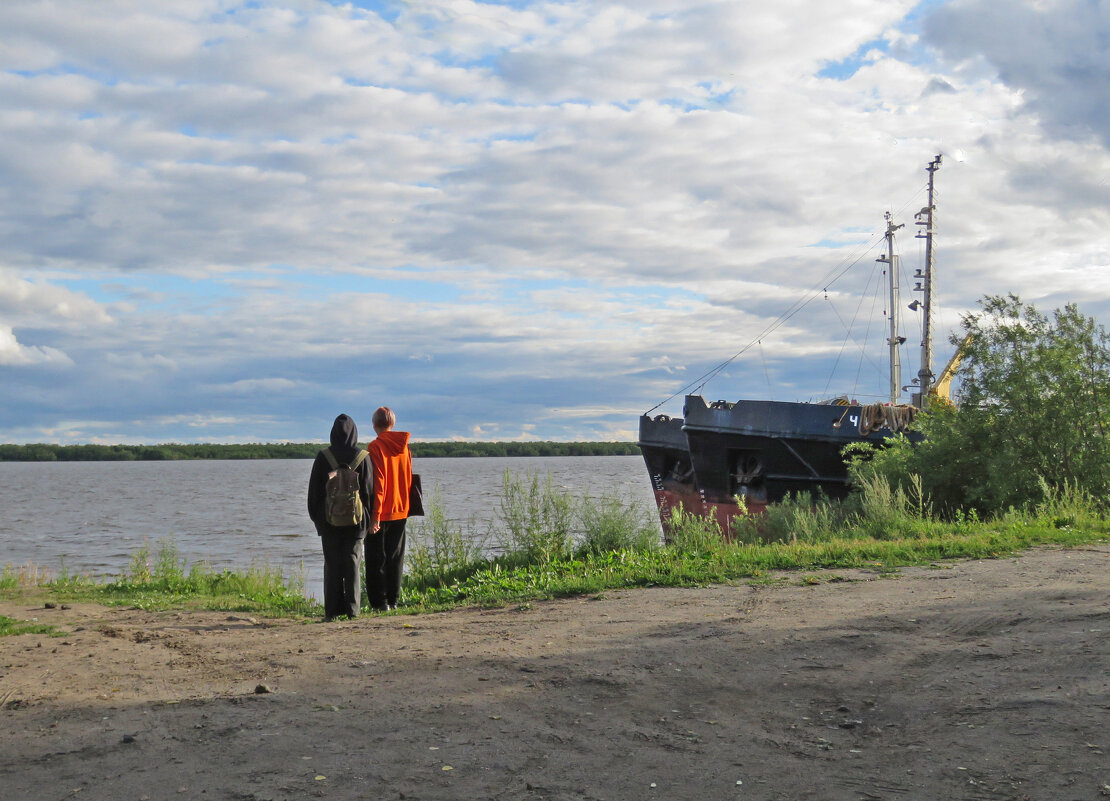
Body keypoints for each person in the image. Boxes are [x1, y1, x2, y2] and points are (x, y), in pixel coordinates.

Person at [307, 414, 372, 621]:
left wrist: (318, 520)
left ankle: (332, 612)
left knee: (332, 563)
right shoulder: (363, 456)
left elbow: (314, 493)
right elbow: (369, 492)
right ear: (354, 432)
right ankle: (353, 611)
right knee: (353, 562)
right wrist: (367, 522)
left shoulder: (323, 456)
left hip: (329, 521)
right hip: (356, 522)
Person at [364, 406, 413, 611]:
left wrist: (374, 516)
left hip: (382, 511)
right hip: (401, 508)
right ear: (392, 424)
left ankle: (380, 603)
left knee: (376, 558)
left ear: (374, 425)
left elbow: (379, 482)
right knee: (395, 557)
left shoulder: (375, 447)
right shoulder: (404, 447)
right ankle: (393, 601)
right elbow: (409, 478)